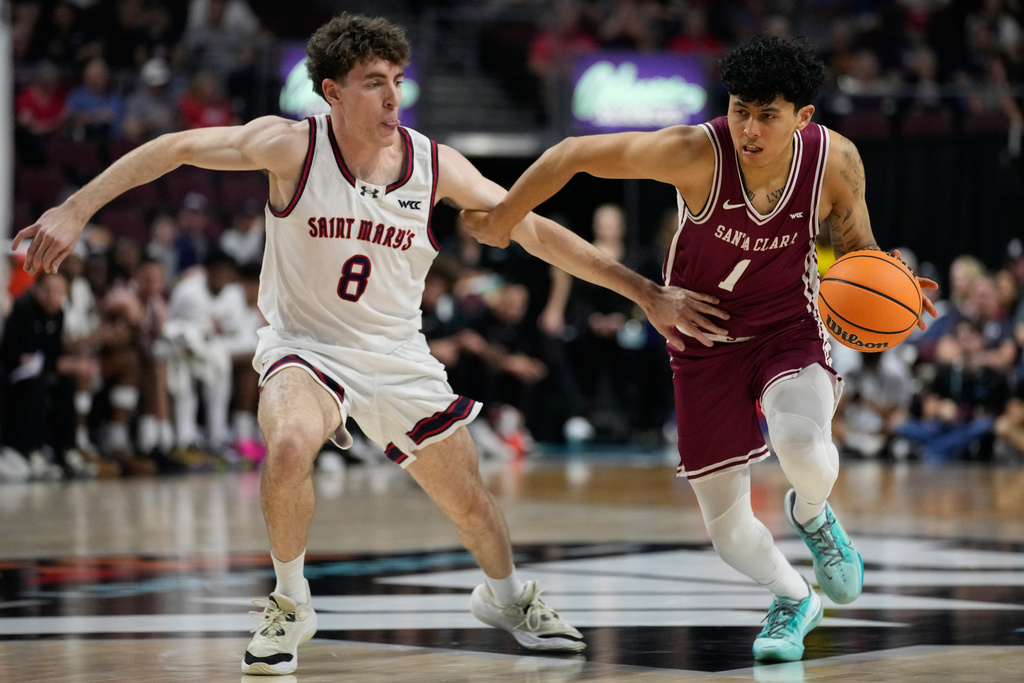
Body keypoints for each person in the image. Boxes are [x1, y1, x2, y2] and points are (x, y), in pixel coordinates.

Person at [13, 12, 704, 676]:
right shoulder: (291, 146)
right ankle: (290, 601)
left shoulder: (436, 166)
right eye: (374, 81)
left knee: (472, 506)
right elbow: (177, 147)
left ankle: (505, 594)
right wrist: (75, 207)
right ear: (333, 92)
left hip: (399, 356)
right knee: (286, 443)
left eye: (397, 79)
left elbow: (536, 230)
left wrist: (643, 290)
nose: (392, 95)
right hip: (304, 346)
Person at [467, 33, 939, 663]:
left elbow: (857, 245)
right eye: (740, 109)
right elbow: (572, 153)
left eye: (767, 115)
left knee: (804, 451)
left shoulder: (834, 161)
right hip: (700, 340)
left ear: (803, 118)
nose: (748, 128)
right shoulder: (696, 152)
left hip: (786, 326)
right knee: (729, 536)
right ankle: (795, 598)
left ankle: (816, 515)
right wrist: (503, 219)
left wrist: (892, 286)